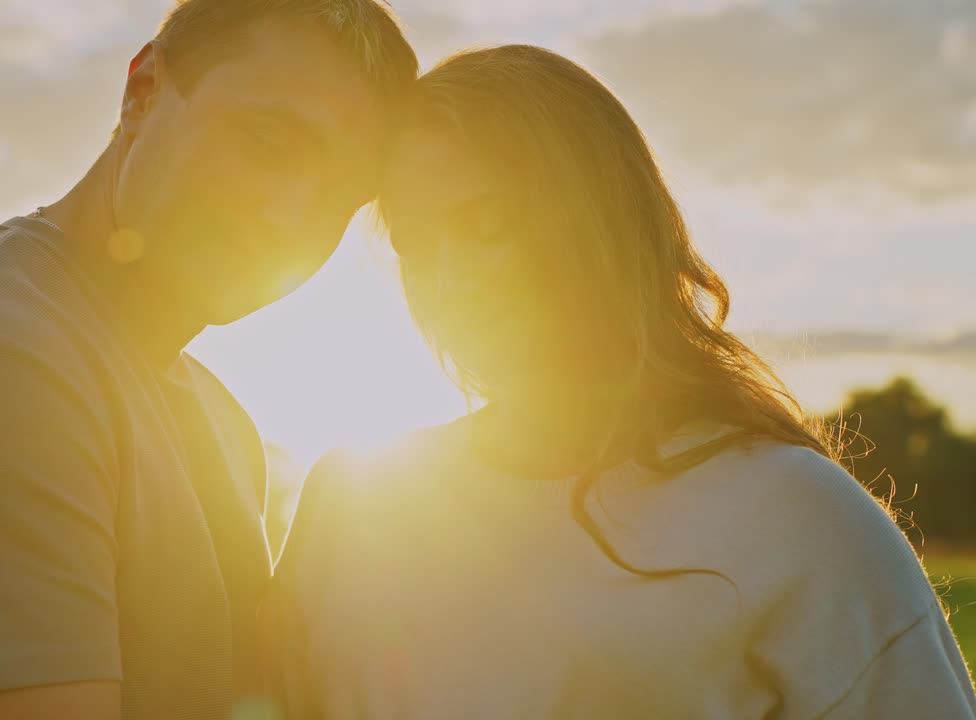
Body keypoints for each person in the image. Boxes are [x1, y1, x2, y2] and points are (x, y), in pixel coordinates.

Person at [267, 45, 976, 718]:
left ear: (599, 221)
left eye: (486, 224)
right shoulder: (352, 509)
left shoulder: (802, 521)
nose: (448, 275)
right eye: (418, 243)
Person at [0, 2, 416, 718]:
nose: (292, 216)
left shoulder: (217, 415)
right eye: (269, 141)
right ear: (143, 92)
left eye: (342, 195)